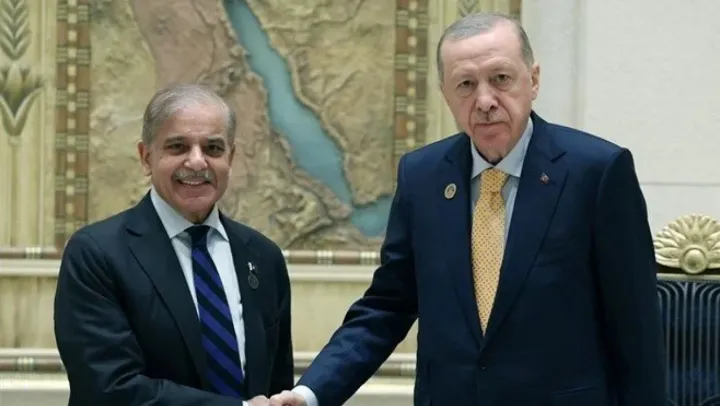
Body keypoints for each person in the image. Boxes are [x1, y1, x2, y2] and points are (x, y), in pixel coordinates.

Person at [269, 12, 667, 406]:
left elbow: (636, 326)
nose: (485, 101)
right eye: (466, 84)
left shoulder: (596, 172)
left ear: (533, 80)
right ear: (446, 94)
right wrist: (310, 393)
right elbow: (387, 307)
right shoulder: (421, 177)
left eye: (501, 78)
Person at [54, 84, 294, 405]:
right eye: (178, 147)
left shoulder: (263, 257)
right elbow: (108, 388)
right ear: (146, 157)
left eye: (213, 148)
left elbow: (276, 385)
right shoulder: (96, 254)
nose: (197, 162)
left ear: (231, 158)